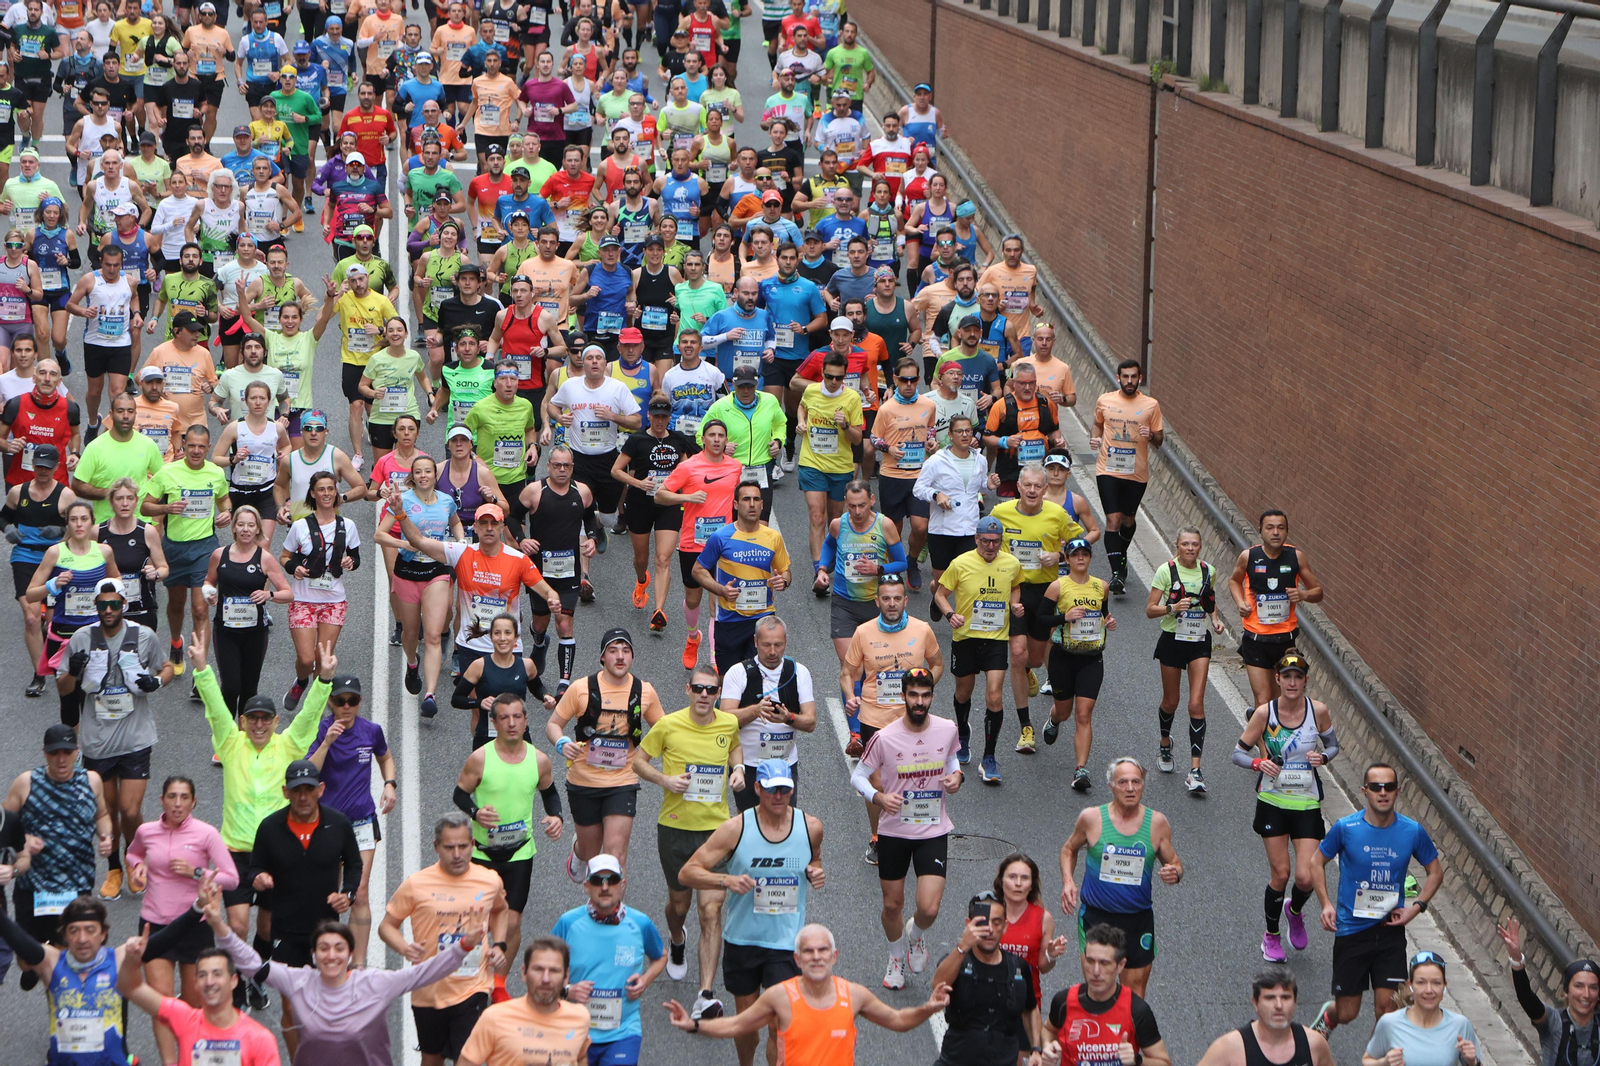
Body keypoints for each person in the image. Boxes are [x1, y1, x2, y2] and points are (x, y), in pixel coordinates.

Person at [205, 876, 482, 1066]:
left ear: (350, 954)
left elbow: (425, 973)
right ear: (313, 955)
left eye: (339, 948)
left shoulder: (375, 983)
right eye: (323, 948)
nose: (331, 955)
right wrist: (219, 925)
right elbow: (253, 964)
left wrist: (464, 946)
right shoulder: (297, 980)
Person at [188, 628, 333, 966]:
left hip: (275, 851)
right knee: (237, 925)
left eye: (265, 720)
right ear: (242, 721)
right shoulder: (230, 743)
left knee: (267, 929)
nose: (258, 725)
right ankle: (237, 979)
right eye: (252, 719)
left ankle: (257, 975)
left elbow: (309, 716)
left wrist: (324, 680)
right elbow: (214, 708)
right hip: (235, 852)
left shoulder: (288, 745)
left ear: (275, 721)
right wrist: (201, 668)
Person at [665, 923, 950, 1062]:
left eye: (822, 950)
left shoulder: (854, 995)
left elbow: (898, 1021)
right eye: (808, 951)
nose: (816, 957)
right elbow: (738, 1024)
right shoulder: (780, 997)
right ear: (797, 959)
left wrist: (929, 1007)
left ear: (834, 956)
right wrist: (694, 1025)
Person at [633, 664, 744, 1020]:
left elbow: (735, 750)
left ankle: (705, 994)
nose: (704, 696)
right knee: (679, 907)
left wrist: (738, 769)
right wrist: (664, 780)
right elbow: (638, 762)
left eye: (711, 690)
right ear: (688, 690)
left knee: (711, 911)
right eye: (699, 689)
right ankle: (676, 938)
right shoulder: (667, 725)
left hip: (717, 832)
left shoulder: (728, 724)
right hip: (676, 828)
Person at [54, 575, 170, 899]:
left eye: (114, 604)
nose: (108, 610)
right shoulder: (80, 638)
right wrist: (73, 672)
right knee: (106, 809)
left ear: (124, 604)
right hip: (97, 739)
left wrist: (156, 683)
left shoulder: (143, 636)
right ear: (95, 606)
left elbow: (168, 668)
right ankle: (114, 870)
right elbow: (63, 689)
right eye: (103, 605)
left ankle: (135, 862)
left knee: (130, 810)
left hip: (135, 736)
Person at [1308, 762, 1444, 1035]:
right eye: (1376, 787)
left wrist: (1415, 908)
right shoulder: (1346, 828)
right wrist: (1325, 904)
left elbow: (1435, 873)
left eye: (1389, 787)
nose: (1383, 793)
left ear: (1397, 791)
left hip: (1390, 932)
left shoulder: (1412, 831)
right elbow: (1315, 862)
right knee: (1347, 1012)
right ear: (1365, 791)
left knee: (1389, 1011)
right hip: (1352, 931)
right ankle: (1329, 1015)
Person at [850, 668, 961, 991]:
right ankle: (895, 956)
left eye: (925, 695)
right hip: (895, 831)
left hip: (933, 829)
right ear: (903, 697)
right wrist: (879, 796)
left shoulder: (946, 729)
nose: (919, 701)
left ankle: (915, 935)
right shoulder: (885, 738)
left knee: (929, 907)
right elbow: (859, 775)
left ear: (931, 697)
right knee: (892, 905)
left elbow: (952, 761)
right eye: (913, 695)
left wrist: (957, 778)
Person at [454, 693, 564, 1001]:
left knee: (512, 921)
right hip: (481, 853)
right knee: (481, 921)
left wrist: (556, 816)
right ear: (494, 722)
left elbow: (550, 794)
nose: (512, 723)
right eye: (504, 718)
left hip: (519, 852)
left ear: (526, 720)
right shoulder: (480, 758)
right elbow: (460, 794)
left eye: (517, 717)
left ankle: (498, 983)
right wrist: (476, 813)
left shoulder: (538, 759)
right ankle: (473, 978)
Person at [1231, 651, 1339, 962]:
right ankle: (1271, 935)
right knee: (1281, 874)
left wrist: (1324, 757)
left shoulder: (1317, 711)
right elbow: (1237, 753)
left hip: (1305, 802)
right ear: (1277, 679)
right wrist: (1257, 763)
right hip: (1273, 801)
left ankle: (1294, 910)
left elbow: (1333, 745)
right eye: (1287, 677)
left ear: (1306, 680)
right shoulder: (1265, 714)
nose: (1292, 682)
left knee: (1306, 877)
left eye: (1298, 677)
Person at [379, 811, 510, 1066]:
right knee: (431, 1058)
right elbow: (387, 926)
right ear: (436, 847)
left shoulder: (489, 880)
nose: (457, 854)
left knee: (468, 1057)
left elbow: (501, 909)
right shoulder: (417, 884)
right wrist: (405, 948)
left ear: (473, 845)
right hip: (429, 986)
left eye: (463, 846)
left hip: (473, 986)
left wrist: (500, 944)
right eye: (449, 847)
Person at [125, 777, 238, 1066]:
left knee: (193, 1005)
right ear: (161, 800)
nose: (177, 804)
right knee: (162, 1004)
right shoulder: (146, 831)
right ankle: (168, 1062)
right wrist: (137, 868)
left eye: (184, 797)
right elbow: (133, 851)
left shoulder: (206, 834)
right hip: (155, 924)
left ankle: (189, 1059)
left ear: (193, 802)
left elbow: (232, 878)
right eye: (172, 797)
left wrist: (197, 872)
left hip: (194, 925)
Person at [1059, 756, 1183, 999]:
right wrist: (1068, 881)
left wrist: (1175, 873)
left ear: (1143, 786)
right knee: (1099, 989)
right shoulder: (1092, 818)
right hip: (1097, 917)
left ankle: (1126, 1037)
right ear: (1111, 786)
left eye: (1136, 782)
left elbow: (1175, 863)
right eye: (1123, 782)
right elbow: (1068, 849)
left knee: (1133, 997)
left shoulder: (1156, 823)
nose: (1130, 788)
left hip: (1137, 920)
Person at [546, 627, 667, 877]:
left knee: (614, 857)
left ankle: (610, 913)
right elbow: (553, 725)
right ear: (603, 657)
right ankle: (579, 852)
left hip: (623, 781)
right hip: (584, 781)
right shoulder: (581, 688)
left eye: (626, 651)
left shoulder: (644, 691)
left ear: (632, 656)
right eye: (613, 651)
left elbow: (665, 731)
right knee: (591, 853)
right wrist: (562, 743)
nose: (620, 657)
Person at [842, 576, 943, 859]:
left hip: (911, 719)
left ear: (905, 601)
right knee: (877, 783)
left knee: (911, 777)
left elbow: (937, 664)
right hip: (874, 717)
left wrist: (923, 691)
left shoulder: (921, 630)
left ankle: (909, 833)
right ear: (877, 601)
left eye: (897, 598)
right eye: (886, 598)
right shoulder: (863, 632)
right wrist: (851, 696)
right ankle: (877, 837)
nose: (891, 604)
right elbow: (847, 673)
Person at [303, 674, 396, 968]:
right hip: (327, 824)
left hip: (361, 821)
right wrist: (328, 742)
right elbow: (310, 772)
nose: (346, 706)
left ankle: (358, 965)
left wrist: (390, 783)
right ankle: (323, 956)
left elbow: (386, 757)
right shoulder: (322, 729)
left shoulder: (371, 731)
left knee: (360, 893)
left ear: (359, 702)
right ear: (331, 702)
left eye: (352, 701)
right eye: (340, 701)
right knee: (327, 892)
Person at [117, 914, 283, 1066]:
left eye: (217, 974)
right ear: (195, 983)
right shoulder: (183, 1018)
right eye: (203, 975)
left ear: (234, 981)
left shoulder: (260, 1039)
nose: (209, 981)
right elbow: (131, 987)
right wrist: (131, 962)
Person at [991, 463, 1078, 748]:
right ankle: (1025, 728)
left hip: (1044, 592)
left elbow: (1081, 542)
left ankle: (1029, 670)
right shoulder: (1000, 513)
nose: (1031, 490)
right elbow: (984, 543)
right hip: (1013, 589)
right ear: (1018, 486)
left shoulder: (1057, 515)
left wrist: (1060, 555)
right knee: (1016, 654)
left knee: (1036, 659)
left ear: (1045, 489)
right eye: (1026, 485)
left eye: (1037, 486)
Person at [551, 853, 667, 1064]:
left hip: (623, 1033)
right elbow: (544, 970)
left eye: (612, 880)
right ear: (586, 886)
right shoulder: (568, 923)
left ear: (622, 884)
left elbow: (660, 956)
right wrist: (567, 990)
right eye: (597, 881)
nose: (605, 887)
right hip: (573, 1030)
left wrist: (645, 980)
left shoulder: (640, 923)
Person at [3, 724, 112, 946]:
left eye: (67, 753)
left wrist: (106, 836)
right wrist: (22, 839)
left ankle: (46, 965)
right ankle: (38, 963)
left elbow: (102, 815)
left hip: (76, 882)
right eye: (54, 753)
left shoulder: (91, 781)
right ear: (45, 752)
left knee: (67, 950)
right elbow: (3, 825)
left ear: (77, 751)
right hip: (33, 884)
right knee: (28, 954)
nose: (61, 760)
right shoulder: (27, 783)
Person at [932, 515, 1022, 776]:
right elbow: (940, 594)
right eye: (985, 541)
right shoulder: (960, 564)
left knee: (994, 695)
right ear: (976, 539)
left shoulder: (1012, 563)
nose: (991, 546)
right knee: (963, 693)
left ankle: (989, 758)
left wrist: (1015, 604)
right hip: (966, 638)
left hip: (996, 638)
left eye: (995, 542)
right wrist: (950, 615)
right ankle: (962, 734)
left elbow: (1016, 585)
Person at [142, 423, 230, 684]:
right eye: (191, 445)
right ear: (183, 445)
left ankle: (199, 672)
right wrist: (167, 509)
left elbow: (224, 499)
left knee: (200, 609)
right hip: (174, 547)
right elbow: (146, 507)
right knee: (177, 605)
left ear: (208, 448)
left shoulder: (215, 473)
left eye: (201, 447)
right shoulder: (167, 473)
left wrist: (227, 511)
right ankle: (176, 642)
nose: (196, 451)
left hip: (205, 548)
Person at [653, 419, 740, 664]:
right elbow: (660, 495)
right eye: (711, 435)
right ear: (703, 439)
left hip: (724, 544)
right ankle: (693, 636)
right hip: (693, 542)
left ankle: (714, 659)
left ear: (726, 440)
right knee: (693, 599)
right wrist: (688, 497)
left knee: (717, 602)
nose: (716, 439)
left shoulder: (735, 467)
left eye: (721, 435)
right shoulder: (689, 467)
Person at [1145, 526, 1224, 791]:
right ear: (1176, 545)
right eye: (1185, 544)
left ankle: (1195, 770)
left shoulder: (1208, 571)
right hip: (1172, 640)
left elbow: (1209, 601)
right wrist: (1172, 607)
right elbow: (1150, 610)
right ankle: (1165, 743)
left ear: (1200, 547)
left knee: (1195, 703)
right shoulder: (1166, 571)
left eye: (1195, 545)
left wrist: (1215, 620)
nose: (1190, 549)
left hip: (1199, 641)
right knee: (1171, 701)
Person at [1033, 538, 1116, 790]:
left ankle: (1081, 769)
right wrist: (1064, 617)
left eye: (1085, 554)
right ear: (1066, 559)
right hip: (1063, 657)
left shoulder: (1101, 587)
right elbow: (1040, 620)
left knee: (1084, 713)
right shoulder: (1057, 587)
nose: (1080, 558)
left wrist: (1109, 622)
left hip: (1092, 658)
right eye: (1075, 554)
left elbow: (1104, 614)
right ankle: (1054, 720)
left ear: (1090, 558)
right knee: (1065, 711)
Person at [278, 469, 360, 709]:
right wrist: (294, 568)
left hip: (334, 600)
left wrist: (350, 562)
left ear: (336, 493)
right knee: (306, 659)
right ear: (313, 494)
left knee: (322, 660)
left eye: (330, 489)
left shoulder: (348, 526)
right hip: (303, 598)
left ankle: (314, 712)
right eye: (321, 489)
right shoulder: (300, 526)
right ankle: (301, 680)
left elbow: (355, 557)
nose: (326, 493)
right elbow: (284, 557)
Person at [1227, 509, 1325, 706]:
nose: (1275, 532)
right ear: (1261, 531)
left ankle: (1262, 727)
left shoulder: (1296, 557)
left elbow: (1318, 592)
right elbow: (1234, 581)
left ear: (1287, 531)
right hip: (1255, 639)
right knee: (1263, 700)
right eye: (1270, 528)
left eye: (1281, 528)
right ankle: (1262, 734)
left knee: (1279, 701)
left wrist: (1303, 594)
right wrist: (1240, 603)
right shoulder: (1249, 556)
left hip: (1285, 641)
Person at [692, 478, 792, 671]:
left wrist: (784, 581)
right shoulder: (721, 537)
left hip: (762, 619)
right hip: (730, 620)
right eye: (746, 499)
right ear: (736, 504)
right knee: (728, 680)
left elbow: (786, 572)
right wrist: (720, 590)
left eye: (756, 499)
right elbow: (698, 570)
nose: (752, 504)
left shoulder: (773, 537)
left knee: (759, 677)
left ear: (763, 504)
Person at [931, 891, 1041, 1066]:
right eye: (982, 922)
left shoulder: (1018, 967)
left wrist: (1036, 1049)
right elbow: (938, 983)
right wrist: (962, 946)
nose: (989, 929)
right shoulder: (955, 962)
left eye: (996, 923)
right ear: (969, 924)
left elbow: (1030, 1009)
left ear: (1005, 926)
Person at [514, 445, 593, 688]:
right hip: (539, 573)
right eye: (556, 465)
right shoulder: (535, 491)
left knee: (564, 624)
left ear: (572, 467)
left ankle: (564, 683)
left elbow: (590, 515)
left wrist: (591, 537)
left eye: (566, 465)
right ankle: (539, 642)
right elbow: (512, 516)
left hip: (569, 572)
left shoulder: (582, 491)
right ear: (548, 466)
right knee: (541, 622)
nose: (561, 470)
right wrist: (522, 540)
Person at [202, 504, 291, 715]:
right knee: (231, 687)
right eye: (241, 524)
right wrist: (209, 593)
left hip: (255, 633)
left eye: (250, 525)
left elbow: (288, 593)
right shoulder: (219, 555)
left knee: (249, 690)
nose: (245, 529)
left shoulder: (264, 558)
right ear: (233, 528)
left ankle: (244, 739)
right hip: (226, 631)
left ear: (257, 529)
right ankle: (226, 740)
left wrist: (268, 595)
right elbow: (208, 581)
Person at [1043, 922, 1169, 1066]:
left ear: (1120, 965)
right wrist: (1047, 1047)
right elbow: (1048, 1029)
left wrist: (1137, 1060)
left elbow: (1164, 1062)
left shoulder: (1137, 1010)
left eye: (1104, 963)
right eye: (1090, 961)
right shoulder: (1064, 1001)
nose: (1096, 971)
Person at [455, 936, 592, 1066]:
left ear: (566, 977)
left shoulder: (580, 1017)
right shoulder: (495, 1018)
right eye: (538, 969)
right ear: (524, 973)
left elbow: (580, 1058)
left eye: (554, 971)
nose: (545, 979)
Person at [1091, 358, 1163, 595]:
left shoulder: (1150, 405)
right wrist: (1095, 438)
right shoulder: (1105, 400)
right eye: (1125, 377)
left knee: (1128, 520)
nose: (1129, 381)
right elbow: (1098, 425)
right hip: (1108, 469)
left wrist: (1150, 435)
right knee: (1113, 520)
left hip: (1136, 473)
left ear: (1139, 379)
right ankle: (1117, 574)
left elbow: (1160, 440)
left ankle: (1120, 555)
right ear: (1118, 378)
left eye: (1134, 377)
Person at [1498, 918, 1598, 1066]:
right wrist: (1517, 960)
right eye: (1579, 986)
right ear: (1565, 992)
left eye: (1593, 987)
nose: (1586, 994)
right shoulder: (1554, 1021)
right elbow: (1527, 999)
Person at [1361, 950, 1480, 1066]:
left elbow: (1475, 1062)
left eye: (1436, 983)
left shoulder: (1460, 1025)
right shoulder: (1389, 1023)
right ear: (1410, 985)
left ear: (1444, 986)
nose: (1429, 990)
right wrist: (1384, 1063)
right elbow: (1367, 1061)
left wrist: (1473, 1062)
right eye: (1421, 982)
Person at [1194, 969, 1335, 1066]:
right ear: (1255, 1003)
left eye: (1285, 997)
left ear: (1295, 1002)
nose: (1279, 1005)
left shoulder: (1315, 1045)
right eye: (1270, 998)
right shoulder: (1228, 1049)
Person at [994, 853, 1066, 1006]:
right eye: (1012, 877)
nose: (1018, 883)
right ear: (1001, 881)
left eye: (1024, 878)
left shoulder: (1043, 918)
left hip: (1027, 1003)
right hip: (991, 1001)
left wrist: (1051, 955)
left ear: (1031, 885)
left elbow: (1043, 967)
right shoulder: (987, 913)